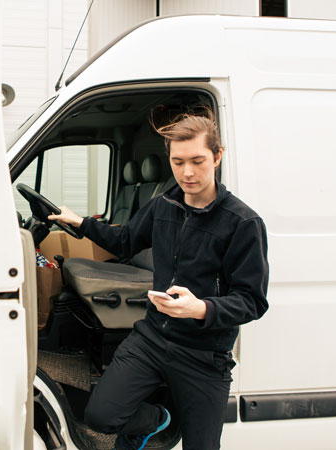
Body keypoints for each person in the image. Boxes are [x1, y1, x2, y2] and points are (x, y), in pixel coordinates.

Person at [48, 110, 269, 450]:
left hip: (204, 354)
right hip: (152, 338)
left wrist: (201, 309)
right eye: (178, 162)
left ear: (217, 156)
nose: (187, 172)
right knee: (100, 417)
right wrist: (80, 223)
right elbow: (124, 243)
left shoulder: (241, 223)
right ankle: (157, 421)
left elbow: (252, 300)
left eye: (197, 160)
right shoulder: (163, 205)